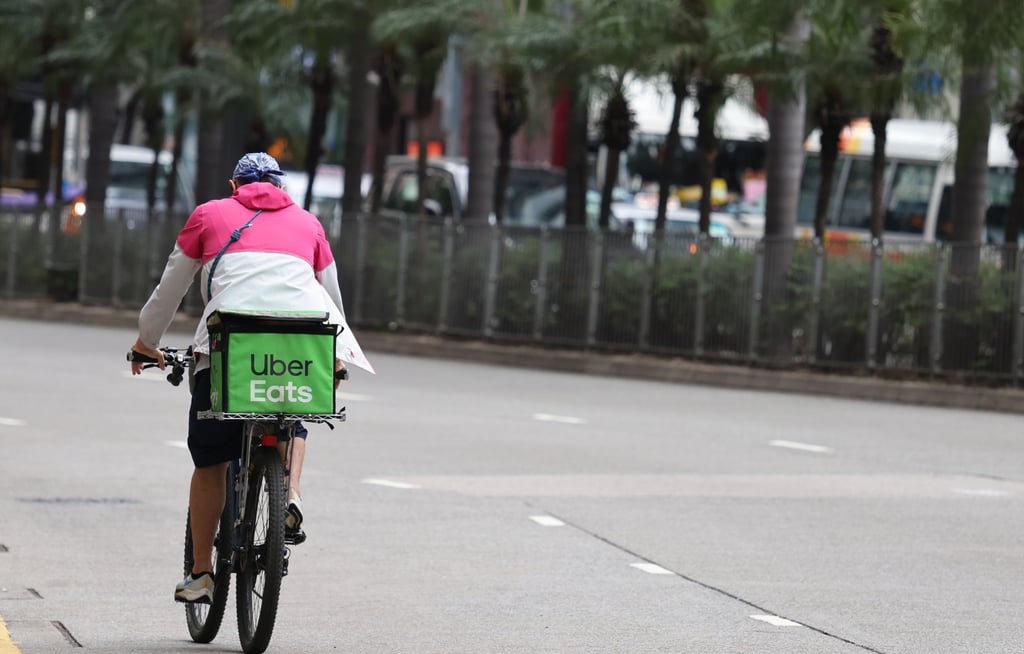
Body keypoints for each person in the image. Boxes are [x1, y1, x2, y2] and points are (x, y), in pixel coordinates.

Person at [129, 152, 366, 604]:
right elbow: (331, 299)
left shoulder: (208, 215)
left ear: (234, 186)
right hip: (300, 347)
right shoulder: (310, 225)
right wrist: (336, 356)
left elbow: (171, 288)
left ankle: (201, 573)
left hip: (228, 348)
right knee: (290, 412)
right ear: (282, 188)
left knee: (211, 461)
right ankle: (289, 491)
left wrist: (147, 340)